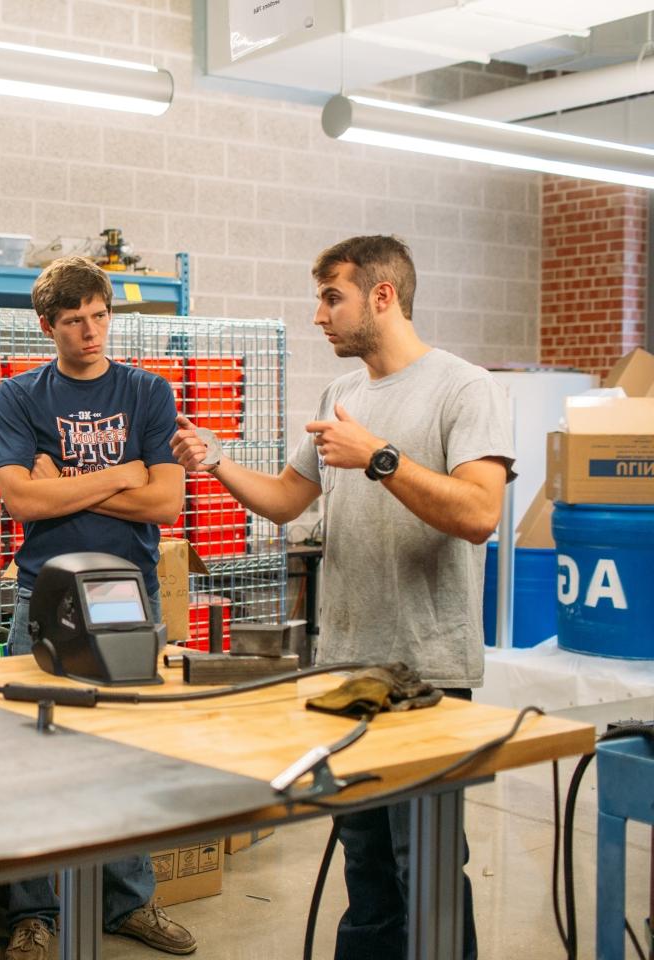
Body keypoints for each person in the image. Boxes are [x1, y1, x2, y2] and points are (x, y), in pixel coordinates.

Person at [172, 235, 513, 960]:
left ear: (382, 296)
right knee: (367, 868)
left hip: (429, 675)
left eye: (333, 297)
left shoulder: (464, 388)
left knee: (425, 865)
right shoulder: (340, 395)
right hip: (346, 669)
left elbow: (480, 514)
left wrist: (380, 458)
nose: (320, 315)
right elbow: (287, 502)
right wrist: (219, 459)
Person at [0, 255, 194, 958]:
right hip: (43, 595)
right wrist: (120, 474)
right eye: (73, 321)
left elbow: (166, 500)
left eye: (99, 316)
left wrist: (67, 481)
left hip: (128, 599)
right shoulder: (19, 395)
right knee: (32, 755)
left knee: (127, 751)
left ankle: (128, 901)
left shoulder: (148, 392)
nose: (90, 332)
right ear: (47, 326)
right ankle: (32, 913)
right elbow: (21, 500)